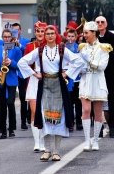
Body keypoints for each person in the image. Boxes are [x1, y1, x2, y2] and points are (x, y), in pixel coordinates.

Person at [18, 25, 84, 161]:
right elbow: (22, 62)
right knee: (45, 116)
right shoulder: (40, 50)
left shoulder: (62, 49)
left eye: (52, 33)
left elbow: (78, 61)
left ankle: (56, 151)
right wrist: (35, 74)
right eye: (47, 33)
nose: (49, 35)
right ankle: (47, 150)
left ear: (56, 35)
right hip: (45, 85)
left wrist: (66, 73)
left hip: (59, 85)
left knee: (59, 117)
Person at [78, 21, 112, 150]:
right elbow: (79, 64)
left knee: (98, 112)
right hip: (86, 80)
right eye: (84, 33)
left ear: (94, 33)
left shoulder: (104, 48)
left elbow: (102, 66)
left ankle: (96, 140)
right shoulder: (82, 47)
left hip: (98, 81)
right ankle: (87, 140)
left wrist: (90, 61)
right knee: (86, 110)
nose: (84, 35)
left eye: (86, 33)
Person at [0, 29, 22, 138]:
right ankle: (3, 130)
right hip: (0, 79)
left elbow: (19, 65)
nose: (7, 38)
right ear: (2, 37)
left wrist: (11, 62)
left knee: (10, 103)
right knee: (2, 105)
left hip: (12, 79)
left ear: (12, 38)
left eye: (9, 37)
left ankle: (11, 128)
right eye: (5, 37)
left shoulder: (16, 50)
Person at [96, 16, 114, 138]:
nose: (100, 24)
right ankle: (98, 127)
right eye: (98, 22)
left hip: (110, 74)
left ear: (106, 24)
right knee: (96, 100)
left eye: (102, 22)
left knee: (112, 100)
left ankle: (112, 126)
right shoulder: (92, 37)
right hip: (96, 74)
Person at [24, 21, 47, 151]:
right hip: (33, 79)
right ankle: (37, 142)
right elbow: (24, 63)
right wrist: (33, 72)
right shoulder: (29, 46)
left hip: (46, 81)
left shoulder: (49, 46)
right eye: (38, 31)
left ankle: (43, 141)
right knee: (34, 112)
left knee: (43, 112)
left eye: (42, 31)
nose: (40, 34)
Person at [11, 22, 30, 130]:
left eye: (17, 30)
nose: (15, 32)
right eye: (13, 30)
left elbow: (27, 54)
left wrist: (20, 46)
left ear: (20, 31)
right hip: (13, 72)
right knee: (12, 98)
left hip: (22, 73)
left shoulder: (26, 41)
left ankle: (24, 121)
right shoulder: (8, 42)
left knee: (23, 97)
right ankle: (12, 122)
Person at [65, 29, 83, 130]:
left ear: (76, 37)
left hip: (78, 78)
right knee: (69, 101)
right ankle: (71, 122)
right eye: (69, 36)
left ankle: (79, 122)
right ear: (66, 37)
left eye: (72, 36)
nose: (71, 38)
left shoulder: (79, 48)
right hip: (68, 78)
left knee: (78, 101)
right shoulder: (64, 48)